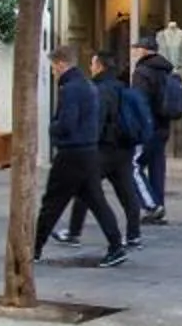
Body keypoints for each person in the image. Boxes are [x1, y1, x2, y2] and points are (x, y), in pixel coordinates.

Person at [33, 45, 126, 266]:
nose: (54, 72)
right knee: (96, 201)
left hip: (71, 153)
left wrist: (52, 128)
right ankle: (116, 246)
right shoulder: (88, 85)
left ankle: (34, 248)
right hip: (89, 152)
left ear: (61, 64)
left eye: (54, 67)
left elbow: (67, 123)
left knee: (52, 202)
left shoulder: (71, 89)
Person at [61, 49, 145, 249]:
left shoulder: (99, 89)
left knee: (84, 187)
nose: (90, 68)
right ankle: (134, 235)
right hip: (124, 147)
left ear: (99, 66)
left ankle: (74, 233)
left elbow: (97, 121)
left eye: (92, 63)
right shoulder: (122, 86)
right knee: (127, 192)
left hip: (105, 148)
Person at [131, 41, 182, 220]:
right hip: (164, 126)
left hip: (148, 128)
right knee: (157, 167)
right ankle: (158, 205)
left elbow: (140, 103)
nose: (135, 52)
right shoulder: (167, 70)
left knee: (133, 167)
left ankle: (151, 205)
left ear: (144, 51)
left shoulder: (141, 72)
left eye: (137, 49)